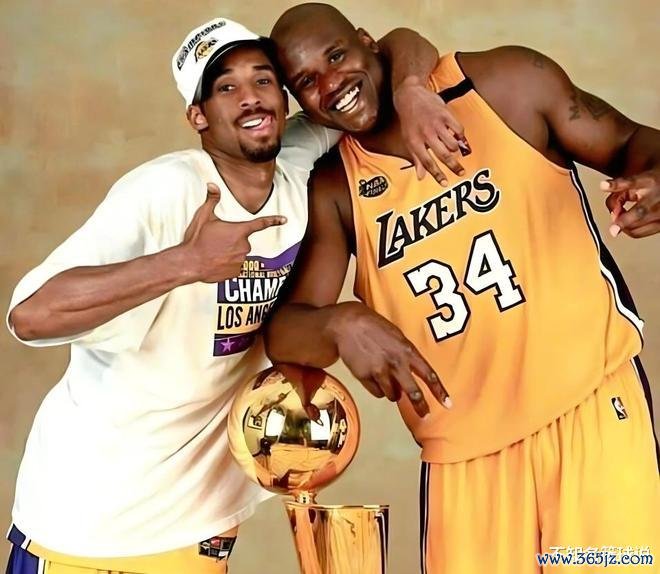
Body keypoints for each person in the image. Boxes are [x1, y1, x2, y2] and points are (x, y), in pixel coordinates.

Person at [4, 15, 466, 574]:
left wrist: (412, 90)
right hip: (89, 531)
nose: (250, 97)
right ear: (198, 116)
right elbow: (31, 315)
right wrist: (185, 263)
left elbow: (391, 48)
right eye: (226, 87)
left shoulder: (295, 159)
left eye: (262, 79)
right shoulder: (168, 190)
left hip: (199, 533)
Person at [265, 4, 660, 573]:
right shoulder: (335, 186)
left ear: (366, 41)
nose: (331, 84)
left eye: (336, 56)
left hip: (590, 415)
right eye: (307, 81)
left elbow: (631, 142)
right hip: (464, 461)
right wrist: (341, 321)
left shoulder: (503, 85)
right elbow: (286, 332)